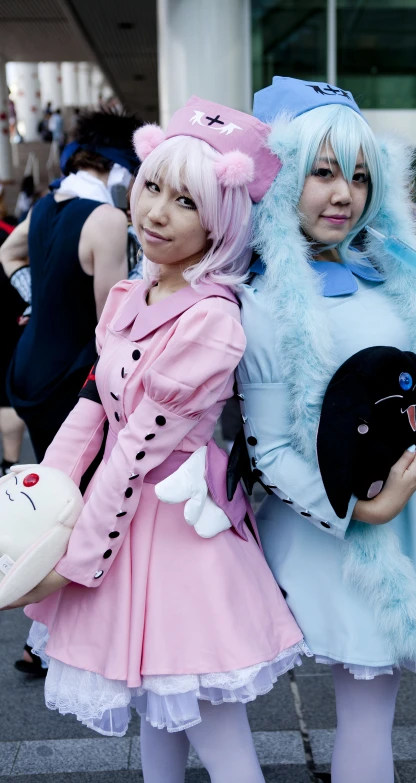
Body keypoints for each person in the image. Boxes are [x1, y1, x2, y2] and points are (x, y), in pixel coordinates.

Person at [6, 97, 305, 783]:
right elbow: (92, 408)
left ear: (222, 220)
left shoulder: (213, 320)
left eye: (186, 201)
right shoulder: (131, 296)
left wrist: (72, 561)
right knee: (155, 717)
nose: (157, 212)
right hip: (127, 518)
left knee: (218, 735)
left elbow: (137, 447)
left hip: (175, 526)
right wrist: (32, 511)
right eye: (152, 187)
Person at [223, 77, 416, 782]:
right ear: (284, 173)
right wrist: (361, 507)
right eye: (322, 172)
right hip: (333, 530)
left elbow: (413, 386)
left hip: (404, 526)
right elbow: (269, 450)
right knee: (224, 704)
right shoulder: (263, 300)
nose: (342, 193)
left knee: (370, 717)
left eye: (357, 174)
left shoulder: (390, 276)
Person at [0, 109, 142, 463]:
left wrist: (40, 299)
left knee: (51, 486)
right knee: (75, 494)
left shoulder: (44, 205)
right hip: (69, 379)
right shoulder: (106, 218)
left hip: (28, 368)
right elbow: (110, 325)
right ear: (121, 171)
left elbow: (8, 253)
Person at [0, 218, 26, 477]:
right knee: (6, 398)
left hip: (9, 320)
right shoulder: (12, 232)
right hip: (10, 319)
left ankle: (9, 466)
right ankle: (9, 468)